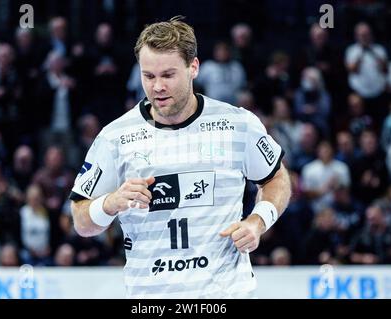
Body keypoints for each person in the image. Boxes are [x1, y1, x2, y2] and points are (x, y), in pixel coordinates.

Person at [70, 16, 291, 299]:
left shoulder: (238, 125)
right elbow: (80, 220)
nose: (157, 87)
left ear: (193, 67)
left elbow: (276, 177)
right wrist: (110, 203)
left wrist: (257, 221)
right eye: (148, 76)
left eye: (168, 75)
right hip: (151, 299)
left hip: (225, 295)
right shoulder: (115, 137)